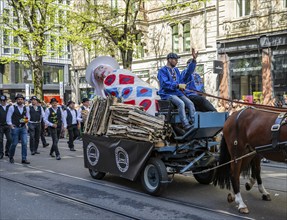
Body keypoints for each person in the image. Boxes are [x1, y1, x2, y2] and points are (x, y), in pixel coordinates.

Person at [157, 53, 195, 130]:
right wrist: (177, 85)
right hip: (167, 94)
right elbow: (164, 84)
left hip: (177, 93)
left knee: (190, 103)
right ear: (169, 59)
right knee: (181, 103)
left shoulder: (176, 70)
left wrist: (194, 61)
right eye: (175, 59)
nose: (177, 61)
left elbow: (186, 75)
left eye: (177, 60)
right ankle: (185, 124)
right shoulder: (162, 71)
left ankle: (193, 122)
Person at [6, 94, 30, 164]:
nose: (20, 100)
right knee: (14, 143)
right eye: (19, 99)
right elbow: (8, 117)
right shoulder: (12, 107)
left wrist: (25, 123)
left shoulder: (26, 108)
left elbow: (27, 117)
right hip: (15, 127)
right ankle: (11, 156)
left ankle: (24, 158)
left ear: (23, 100)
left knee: (25, 143)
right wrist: (11, 125)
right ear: (16, 100)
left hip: (23, 128)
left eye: (21, 99)